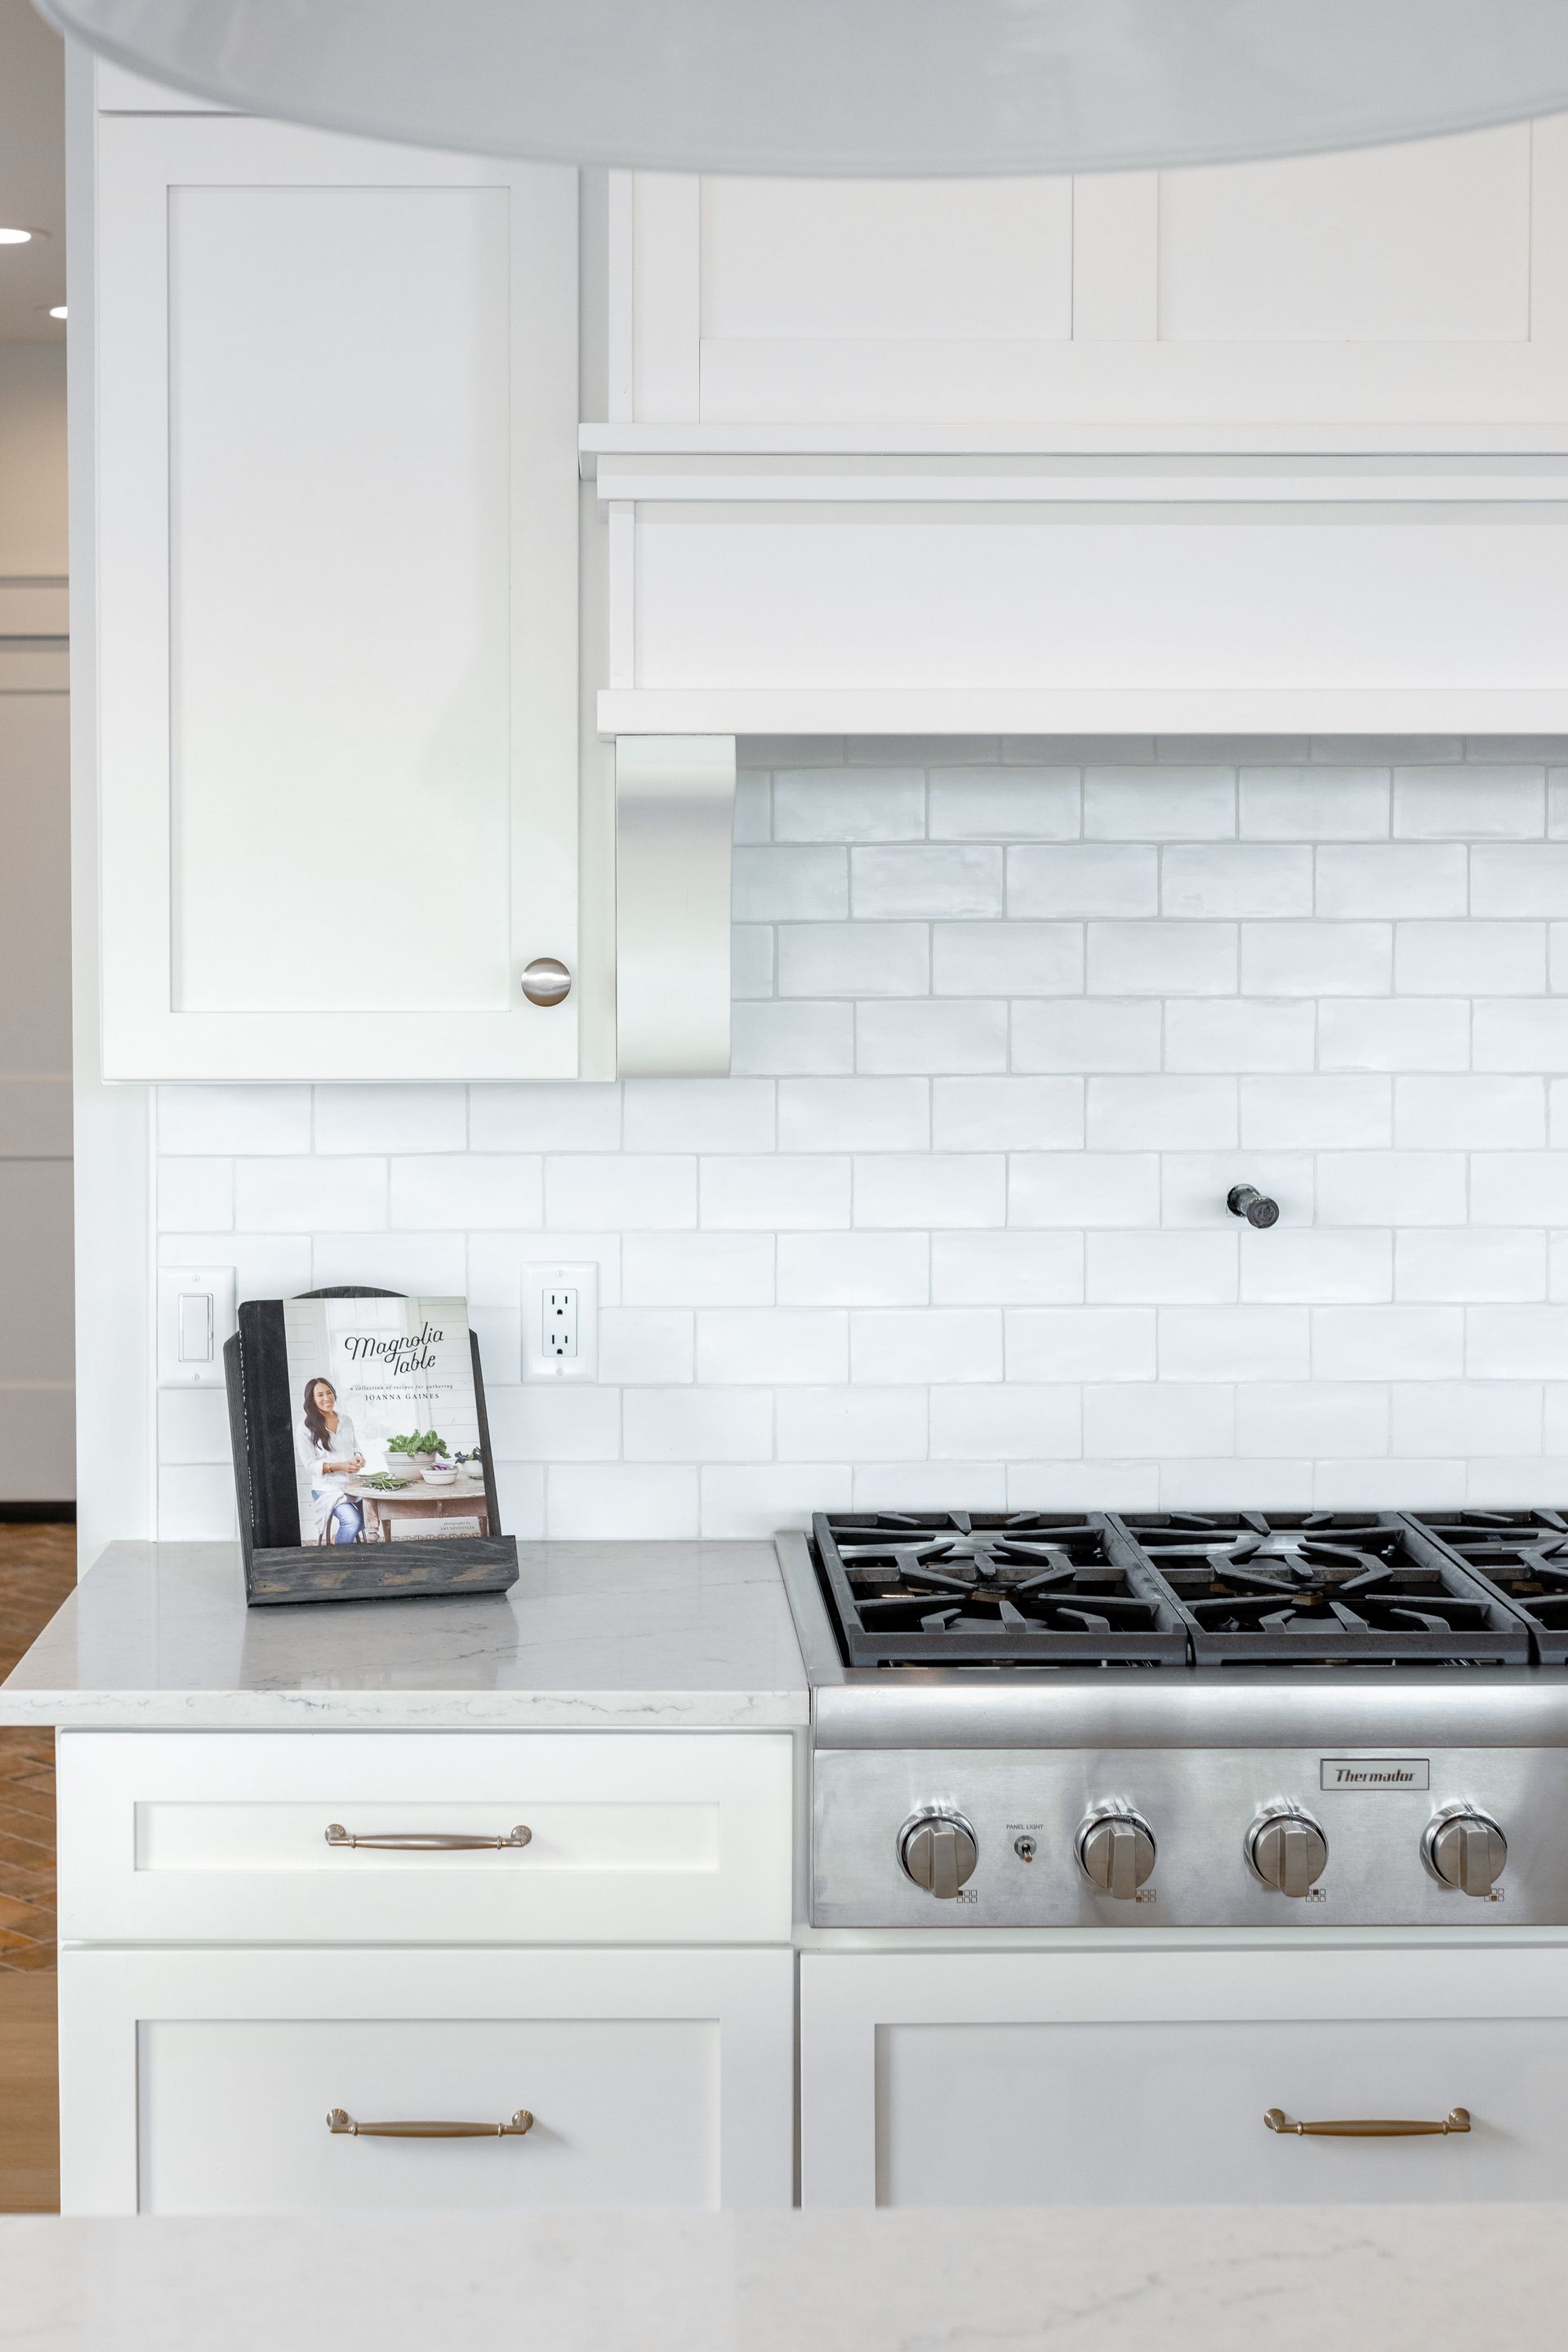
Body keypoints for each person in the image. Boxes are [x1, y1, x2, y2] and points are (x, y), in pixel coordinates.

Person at [296, 1377, 366, 1544]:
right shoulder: (305, 1428)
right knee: (351, 1521)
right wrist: (339, 1466)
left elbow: (355, 1447)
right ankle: (339, 1560)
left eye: (329, 1393)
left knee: (373, 1515)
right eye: (320, 1395)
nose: (326, 1398)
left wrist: (359, 1457)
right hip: (326, 1489)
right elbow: (310, 1466)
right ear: (312, 1400)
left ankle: (338, 1540)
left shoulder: (346, 1420)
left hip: (351, 1485)